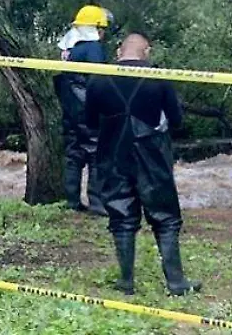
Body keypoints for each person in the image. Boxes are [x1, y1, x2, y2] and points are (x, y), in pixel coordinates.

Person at [85, 33, 201, 296]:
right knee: (165, 216)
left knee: (121, 214)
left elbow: (90, 122)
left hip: (112, 153)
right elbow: (177, 119)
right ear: (146, 52)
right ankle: (176, 282)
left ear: (119, 51)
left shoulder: (97, 78)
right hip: (152, 155)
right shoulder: (159, 77)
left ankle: (126, 281)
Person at [52, 5, 113, 215]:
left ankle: (72, 202)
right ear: (96, 28)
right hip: (89, 111)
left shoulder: (69, 50)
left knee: (73, 154)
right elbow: (98, 81)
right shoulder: (93, 48)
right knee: (97, 153)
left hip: (69, 111)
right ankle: (97, 203)